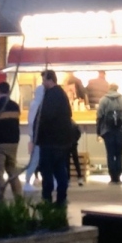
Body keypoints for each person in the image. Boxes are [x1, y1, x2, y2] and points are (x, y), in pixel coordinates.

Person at [34, 70, 75, 204]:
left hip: (50, 141)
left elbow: (46, 117)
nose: (42, 83)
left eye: (44, 80)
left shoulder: (52, 95)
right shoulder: (61, 94)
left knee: (48, 171)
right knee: (60, 169)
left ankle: (47, 197)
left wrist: (37, 135)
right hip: (62, 141)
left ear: (50, 80)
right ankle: (61, 197)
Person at [0, 81, 23, 201]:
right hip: (12, 143)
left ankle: (0, 201)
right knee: (12, 172)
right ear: (8, 91)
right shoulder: (15, 106)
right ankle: (19, 199)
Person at [96, 82, 122, 184]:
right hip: (120, 131)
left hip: (107, 131)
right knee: (119, 154)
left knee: (110, 154)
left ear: (109, 89)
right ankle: (118, 176)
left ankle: (112, 177)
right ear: (117, 89)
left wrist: (98, 131)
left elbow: (99, 117)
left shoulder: (103, 100)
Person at [24, 77, 45, 192]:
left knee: (35, 159)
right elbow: (34, 121)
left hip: (34, 136)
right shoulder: (39, 105)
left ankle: (29, 181)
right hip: (38, 136)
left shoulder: (34, 103)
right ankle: (27, 181)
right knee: (36, 159)